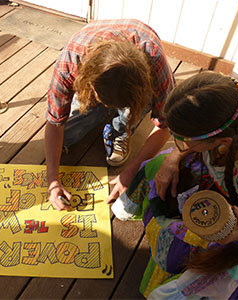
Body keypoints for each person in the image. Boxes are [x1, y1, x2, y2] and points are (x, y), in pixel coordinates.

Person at [111, 72, 238, 299]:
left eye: (183, 139)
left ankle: (171, 271)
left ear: (222, 142)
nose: (179, 144)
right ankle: (128, 207)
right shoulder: (230, 124)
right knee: (156, 165)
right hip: (215, 190)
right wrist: (173, 158)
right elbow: (190, 145)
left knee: (177, 250)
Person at [45, 19, 175, 210]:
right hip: (87, 69)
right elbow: (55, 123)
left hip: (140, 70)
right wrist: (53, 182)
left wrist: (132, 170)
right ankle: (106, 110)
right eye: (104, 101)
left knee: (135, 109)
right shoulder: (70, 61)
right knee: (67, 136)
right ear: (89, 83)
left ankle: (120, 126)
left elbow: (166, 124)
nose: (109, 105)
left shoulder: (155, 60)